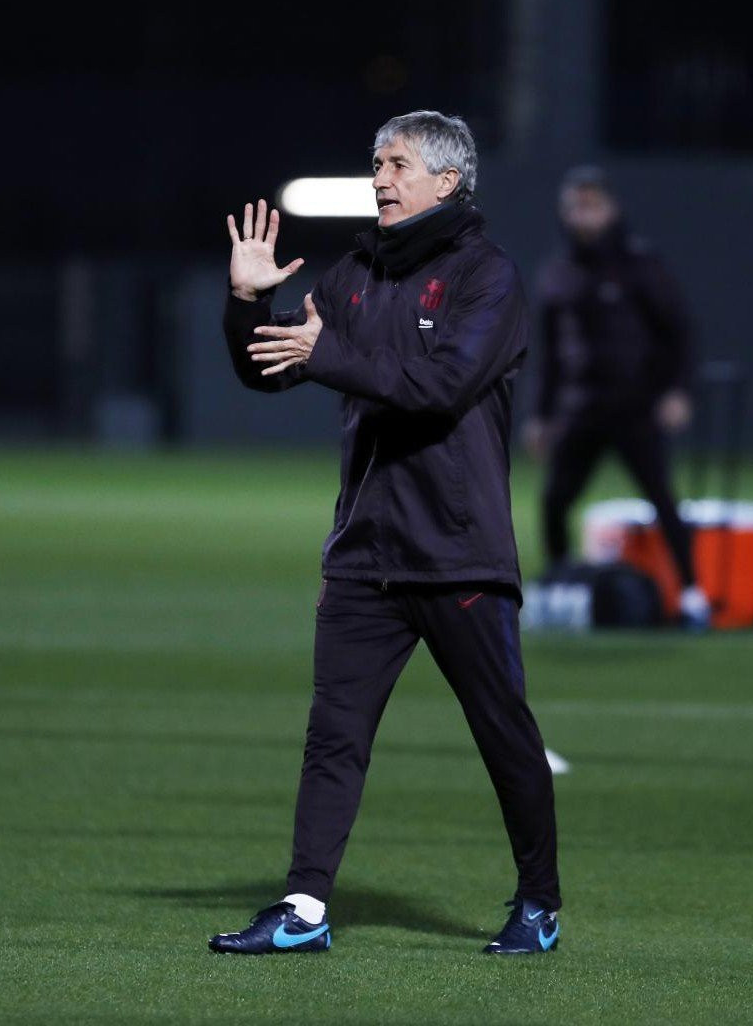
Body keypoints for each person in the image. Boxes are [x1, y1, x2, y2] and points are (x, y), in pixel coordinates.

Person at [209, 111, 561, 954]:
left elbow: (436, 389)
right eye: (375, 162)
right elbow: (269, 368)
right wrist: (247, 299)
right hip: (365, 552)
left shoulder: (488, 278)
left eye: (397, 164)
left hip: (459, 551)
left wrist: (326, 354)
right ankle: (302, 908)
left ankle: (540, 902)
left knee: (502, 732)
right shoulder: (357, 270)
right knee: (334, 736)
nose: (379, 178)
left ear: (447, 181)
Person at [525, 166, 710, 627]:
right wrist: (542, 415)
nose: (582, 216)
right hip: (581, 410)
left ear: (611, 209)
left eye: (591, 205)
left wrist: (677, 391)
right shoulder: (557, 273)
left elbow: (679, 333)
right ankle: (561, 589)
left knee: (664, 502)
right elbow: (549, 354)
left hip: (635, 408)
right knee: (553, 501)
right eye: (575, 206)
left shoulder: (639, 264)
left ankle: (692, 595)